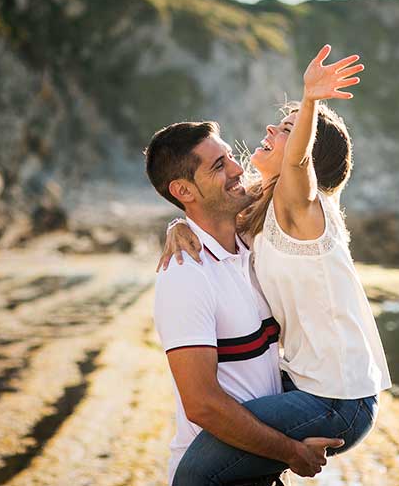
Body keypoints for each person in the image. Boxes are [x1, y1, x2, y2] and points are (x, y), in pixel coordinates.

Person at [152, 45, 392, 484]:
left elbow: (297, 161)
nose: (269, 129)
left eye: (287, 128)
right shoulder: (259, 222)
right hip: (309, 387)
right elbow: (207, 216)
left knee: (193, 478)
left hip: (337, 398)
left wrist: (312, 100)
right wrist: (176, 224)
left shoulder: (302, 208)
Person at [146, 120, 343, 486]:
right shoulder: (186, 276)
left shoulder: (256, 249)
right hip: (215, 475)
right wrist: (290, 451)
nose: (238, 169)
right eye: (219, 166)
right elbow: (202, 403)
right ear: (183, 190)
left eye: (231, 157)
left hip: (258, 468)